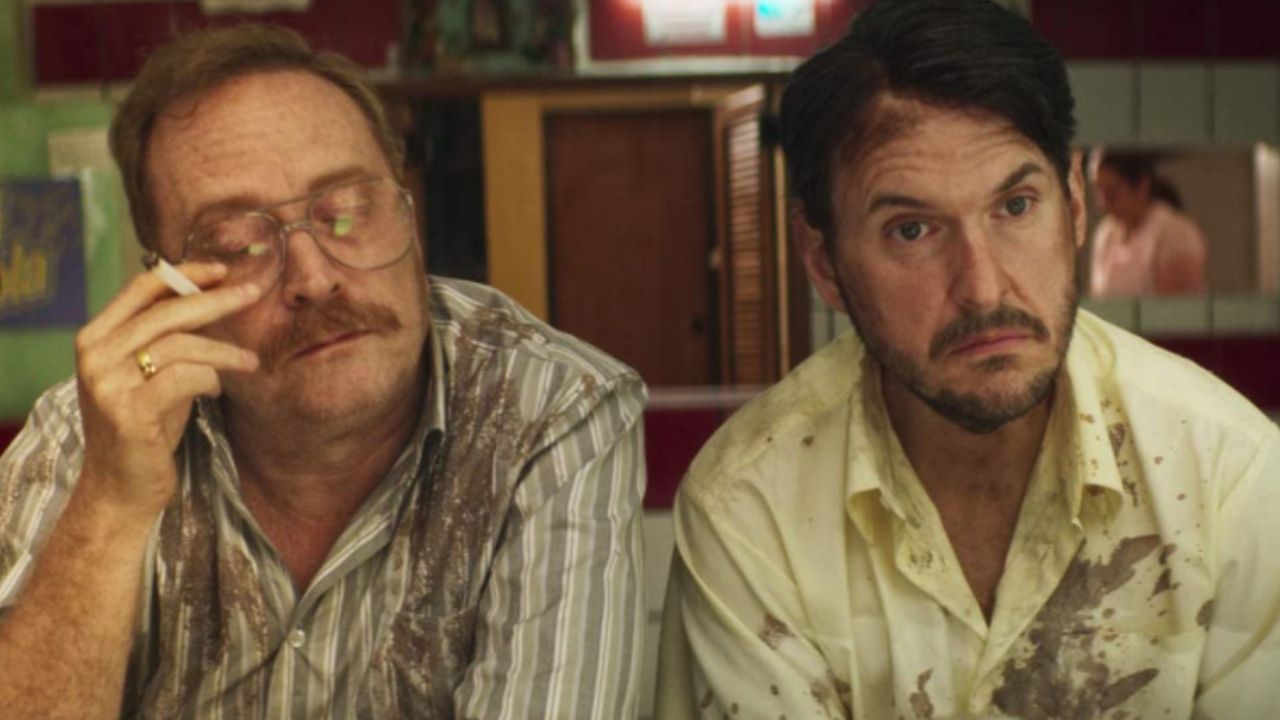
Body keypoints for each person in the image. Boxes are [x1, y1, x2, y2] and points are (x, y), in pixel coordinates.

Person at [0, 25, 647, 718]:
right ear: (169, 289)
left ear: (408, 218)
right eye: (240, 245)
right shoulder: (94, 433)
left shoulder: (547, 410)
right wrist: (110, 503)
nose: (313, 278)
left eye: (345, 215)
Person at [655, 0, 1280, 717]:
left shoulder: (1225, 475)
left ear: (1075, 206)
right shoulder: (750, 508)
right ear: (823, 262)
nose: (982, 288)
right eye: (912, 230)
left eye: (1016, 207)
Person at [1088, 149, 1208, 297]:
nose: (1103, 204)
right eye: (1098, 191)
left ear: (1142, 186)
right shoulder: (1106, 234)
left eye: (1112, 193)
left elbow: (1175, 309)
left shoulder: (1174, 233)